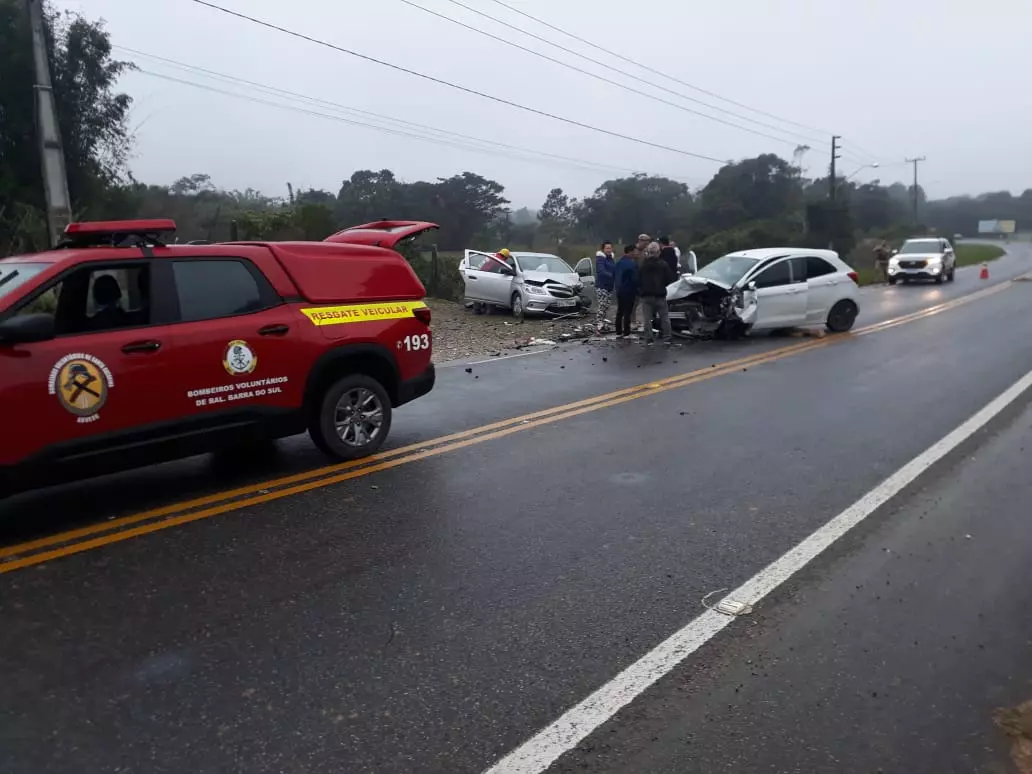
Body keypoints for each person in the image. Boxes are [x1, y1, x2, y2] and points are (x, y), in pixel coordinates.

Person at [639, 241, 676, 345]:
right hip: (660, 294)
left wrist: (641, 289)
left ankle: (649, 339)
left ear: (648, 252)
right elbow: (670, 278)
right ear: (658, 252)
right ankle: (667, 338)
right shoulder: (663, 264)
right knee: (665, 318)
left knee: (647, 319)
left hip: (646, 295)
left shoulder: (643, 265)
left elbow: (638, 279)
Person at [613, 245, 639, 338]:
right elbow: (635, 279)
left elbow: (615, 276)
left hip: (619, 290)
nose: (636, 253)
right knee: (628, 311)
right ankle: (627, 332)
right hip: (629, 290)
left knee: (620, 311)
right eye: (635, 251)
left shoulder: (619, 263)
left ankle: (618, 331)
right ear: (630, 252)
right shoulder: (632, 264)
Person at [594, 241, 616, 333]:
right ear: (603, 249)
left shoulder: (611, 259)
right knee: (602, 305)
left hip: (609, 286)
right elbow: (601, 271)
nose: (609, 250)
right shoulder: (600, 259)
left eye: (610, 248)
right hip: (602, 286)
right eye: (607, 248)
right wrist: (612, 275)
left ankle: (602, 322)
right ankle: (599, 323)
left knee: (606, 306)